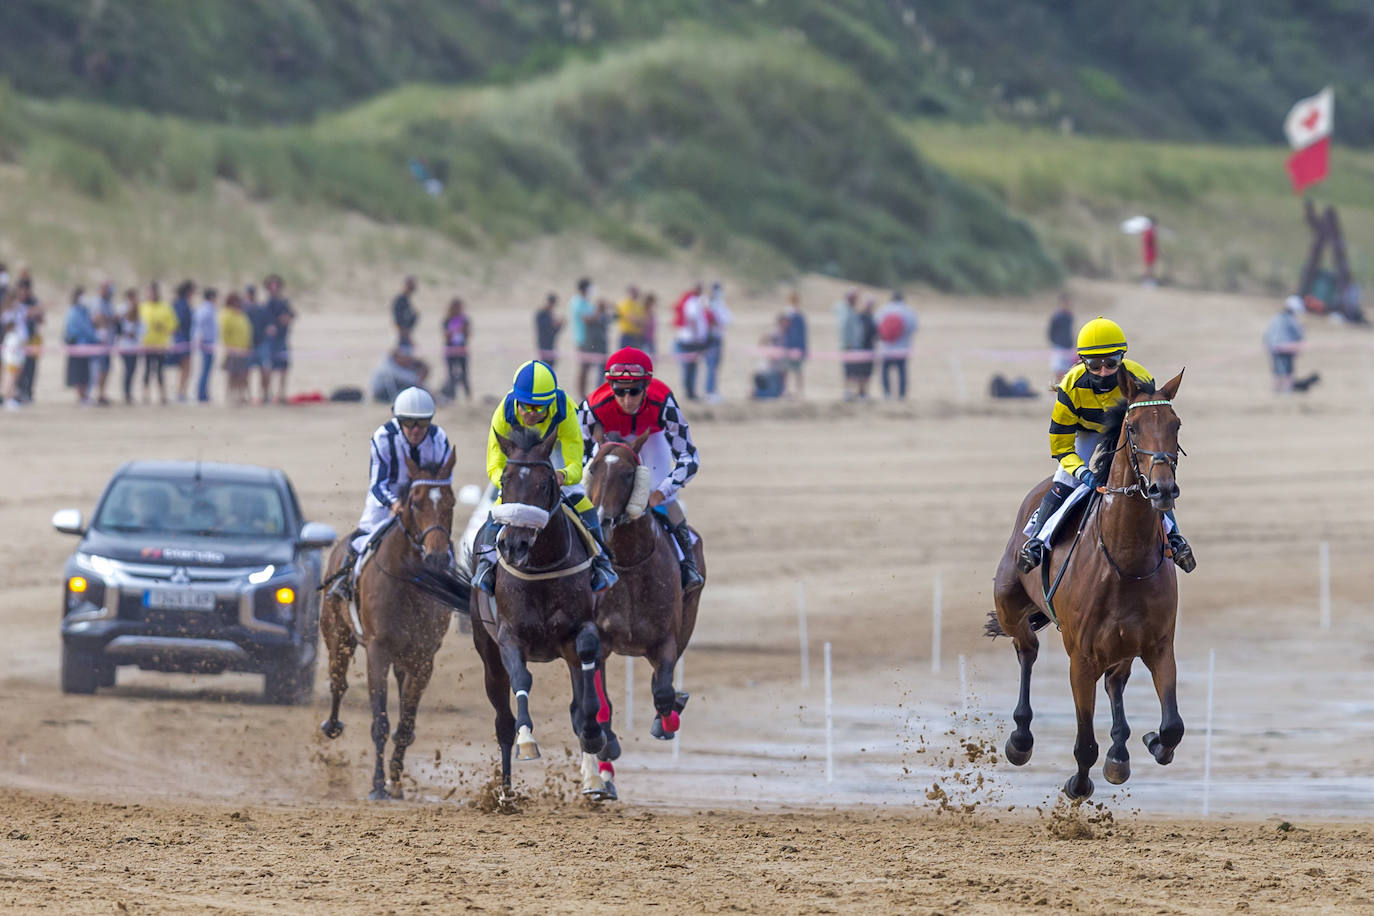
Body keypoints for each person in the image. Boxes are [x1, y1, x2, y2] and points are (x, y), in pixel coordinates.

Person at [1016, 317, 1195, 575]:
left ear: (1122, 358)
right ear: (1081, 361)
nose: (1103, 371)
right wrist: (1084, 474)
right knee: (1066, 478)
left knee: (1151, 480)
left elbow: (1149, 423)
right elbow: (1061, 446)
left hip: (1124, 430)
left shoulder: (1140, 377)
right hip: (1085, 432)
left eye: (1111, 363)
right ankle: (1036, 540)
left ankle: (1174, 537)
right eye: (1094, 364)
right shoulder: (1070, 386)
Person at [471, 360, 619, 595]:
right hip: (518, 456)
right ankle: (485, 564)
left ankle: (602, 562)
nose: (531, 414)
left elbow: (575, 464)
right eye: (526, 407)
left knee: (579, 498)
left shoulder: (565, 410)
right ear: (516, 401)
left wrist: (563, 475)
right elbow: (494, 465)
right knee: (502, 503)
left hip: (554, 451)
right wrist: (512, 484)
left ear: (550, 403)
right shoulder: (504, 413)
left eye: (539, 408)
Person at [578, 347, 704, 591]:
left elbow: (689, 457)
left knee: (659, 491)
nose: (626, 400)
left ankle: (687, 562)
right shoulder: (591, 408)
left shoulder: (664, 403)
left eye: (634, 392)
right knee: (589, 493)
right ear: (610, 387)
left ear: (646, 386)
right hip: (608, 443)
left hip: (651, 438)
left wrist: (661, 493)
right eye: (619, 392)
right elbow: (575, 455)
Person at [327, 387, 453, 604]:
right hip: (388, 496)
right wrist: (394, 504)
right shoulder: (383, 437)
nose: (415, 430)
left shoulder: (439, 439)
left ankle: (451, 591)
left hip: (424, 500)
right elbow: (377, 484)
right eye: (408, 422)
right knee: (361, 539)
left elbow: (443, 482)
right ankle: (345, 582)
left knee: (445, 547)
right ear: (398, 419)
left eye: (422, 423)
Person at [1264, 296, 1319, 394]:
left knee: (1277, 372)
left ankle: (1276, 391)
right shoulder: (1291, 320)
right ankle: (1287, 391)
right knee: (1288, 372)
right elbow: (1299, 334)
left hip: (1274, 348)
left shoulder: (1276, 318)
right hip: (1287, 348)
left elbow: (1268, 334)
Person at [875, 290, 918, 399]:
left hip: (886, 347)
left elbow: (876, 326)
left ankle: (887, 393)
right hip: (903, 347)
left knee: (885, 371)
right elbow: (914, 327)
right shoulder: (908, 311)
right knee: (902, 372)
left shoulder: (883, 309)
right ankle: (902, 395)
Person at [138, 282, 176, 406]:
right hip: (146, 344)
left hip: (160, 344)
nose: (151, 295)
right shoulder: (143, 307)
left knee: (160, 370)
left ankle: (162, 395)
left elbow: (173, 325)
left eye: (153, 292)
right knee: (147, 370)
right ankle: (145, 394)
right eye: (149, 292)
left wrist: (163, 327)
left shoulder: (165, 307)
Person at [263, 274, 295, 404]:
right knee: (269, 368)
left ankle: (281, 394)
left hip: (282, 338)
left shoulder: (284, 302)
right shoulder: (268, 303)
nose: (274, 288)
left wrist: (287, 319)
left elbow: (292, 315)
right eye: (272, 285)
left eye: (276, 285)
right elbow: (266, 320)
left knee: (283, 368)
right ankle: (268, 394)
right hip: (272, 340)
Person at [672, 283, 707, 400]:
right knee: (689, 367)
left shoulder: (692, 301)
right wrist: (697, 335)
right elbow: (692, 319)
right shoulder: (693, 302)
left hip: (689, 339)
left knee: (691, 367)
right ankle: (689, 392)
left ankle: (691, 391)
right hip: (690, 340)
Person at [63, 287, 98, 405]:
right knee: (79, 372)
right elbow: (85, 328)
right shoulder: (74, 312)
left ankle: (84, 395)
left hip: (85, 346)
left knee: (85, 372)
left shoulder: (83, 311)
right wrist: (97, 339)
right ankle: (81, 396)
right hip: (78, 346)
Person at [219, 291, 253, 406]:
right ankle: (229, 396)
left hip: (243, 350)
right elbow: (224, 333)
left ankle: (240, 395)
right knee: (232, 375)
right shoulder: (227, 315)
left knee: (242, 374)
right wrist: (228, 347)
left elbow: (246, 331)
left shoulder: (241, 315)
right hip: (232, 350)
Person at [568, 278, 598, 399]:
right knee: (583, 368)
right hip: (582, 339)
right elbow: (587, 319)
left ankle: (583, 392)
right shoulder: (577, 302)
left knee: (587, 368)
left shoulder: (586, 302)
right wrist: (599, 312)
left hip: (589, 339)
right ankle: (580, 394)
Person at [702, 282, 731, 403]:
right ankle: (709, 392)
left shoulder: (719, 303)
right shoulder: (706, 302)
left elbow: (728, 319)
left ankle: (713, 390)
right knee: (711, 365)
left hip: (718, 337)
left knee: (716, 365)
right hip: (710, 338)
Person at [440, 297, 472, 402]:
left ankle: (468, 396)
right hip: (450, 350)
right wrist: (453, 331)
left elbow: (468, 334)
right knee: (450, 375)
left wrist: (463, 330)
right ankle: (452, 396)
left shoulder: (464, 319)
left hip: (461, 350)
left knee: (464, 374)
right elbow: (445, 336)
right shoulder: (447, 320)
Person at [90, 281, 117, 406]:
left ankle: (102, 393)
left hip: (109, 342)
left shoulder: (109, 303)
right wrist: (110, 319)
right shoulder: (97, 302)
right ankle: (96, 394)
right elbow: (97, 319)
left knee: (106, 368)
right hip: (99, 341)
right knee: (99, 368)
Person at [114, 287, 141, 405]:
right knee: (128, 370)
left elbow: (141, 327)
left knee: (132, 370)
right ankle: (126, 394)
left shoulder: (138, 309)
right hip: (124, 345)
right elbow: (118, 325)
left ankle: (128, 393)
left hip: (134, 346)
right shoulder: (122, 309)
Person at [170, 279, 196, 402]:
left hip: (182, 339)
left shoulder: (178, 303)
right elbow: (178, 323)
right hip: (183, 340)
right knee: (185, 368)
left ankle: (181, 392)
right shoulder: (182, 305)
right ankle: (181, 392)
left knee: (184, 368)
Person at [837, 290, 865, 400]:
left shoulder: (851, 311)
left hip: (853, 346)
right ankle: (847, 392)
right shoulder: (846, 312)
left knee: (854, 371)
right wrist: (847, 344)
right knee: (849, 371)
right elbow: (844, 329)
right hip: (849, 347)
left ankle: (852, 391)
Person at [192, 287, 218, 403]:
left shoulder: (206, 308)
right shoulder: (207, 309)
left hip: (208, 342)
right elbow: (200, 324)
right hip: (206, 342)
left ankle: (203, 393)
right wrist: (200, 337)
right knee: (205, 370)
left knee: (206, 370)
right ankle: (201, 393)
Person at [781, 290, 808, 398]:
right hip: (789, 346)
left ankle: (797, 391)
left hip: (795, 347)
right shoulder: (790, 314)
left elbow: (802, 333)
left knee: (796, 370)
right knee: (789, 370)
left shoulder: (798, 315)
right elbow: (784, 330)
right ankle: (788, 390)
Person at [1047, 292, 1076, 383]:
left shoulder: (1070, 316)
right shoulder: (1057, 316)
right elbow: (1051, 331)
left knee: (1068, 371)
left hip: (1069, 346)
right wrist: (1055, 342)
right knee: (1058, 370)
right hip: (1059, 347)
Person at [534, 292, 563, 368]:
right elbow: (547, 330)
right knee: (546, 365)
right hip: (544, 344)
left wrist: (559, 325)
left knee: (551, 364)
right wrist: (557, 325)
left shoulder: (549, 313)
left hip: (550, 344)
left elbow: (553, 332)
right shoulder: (542, 313)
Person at [616, 285, 648, 351]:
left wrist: (640, 321)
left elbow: (644, 319)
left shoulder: (638, 305)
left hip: (637, 335)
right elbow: (631, 318)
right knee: (625, 357)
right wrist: (640, 321)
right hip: (627, 334)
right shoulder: (625, 303)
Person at [392, 276, 418, 347]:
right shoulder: (400, 301)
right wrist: (407, 337)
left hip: (406, 336)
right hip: (403, 338)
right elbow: (398, 321)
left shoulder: (406, 300)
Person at [1141, 216, 1158, 286]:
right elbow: (1147, 242)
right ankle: (1147, 281)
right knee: (1149, 268)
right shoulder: (1149, 231)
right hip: (1149, 252)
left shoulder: (1149, 231)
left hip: (1151, 251)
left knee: (1150, 267)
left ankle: (1149, 281)